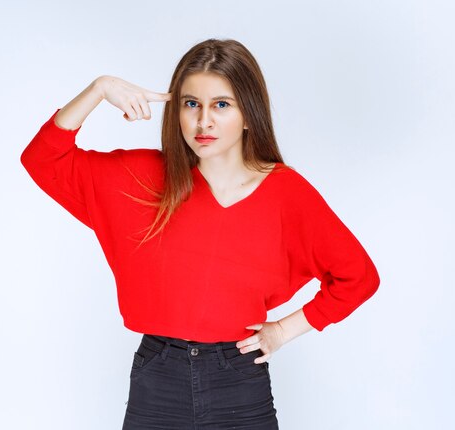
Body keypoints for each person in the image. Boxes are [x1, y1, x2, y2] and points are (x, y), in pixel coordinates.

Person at [20, 38, 380, 429]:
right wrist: (99, 88)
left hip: (239, 383)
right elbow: (41, 158)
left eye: (221, 105)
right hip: (157, 378)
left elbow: (357, 277)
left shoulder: (287, 193)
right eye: (192, 104)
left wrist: (281, 331)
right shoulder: (141, 178)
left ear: (248, 114)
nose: (203, 121)